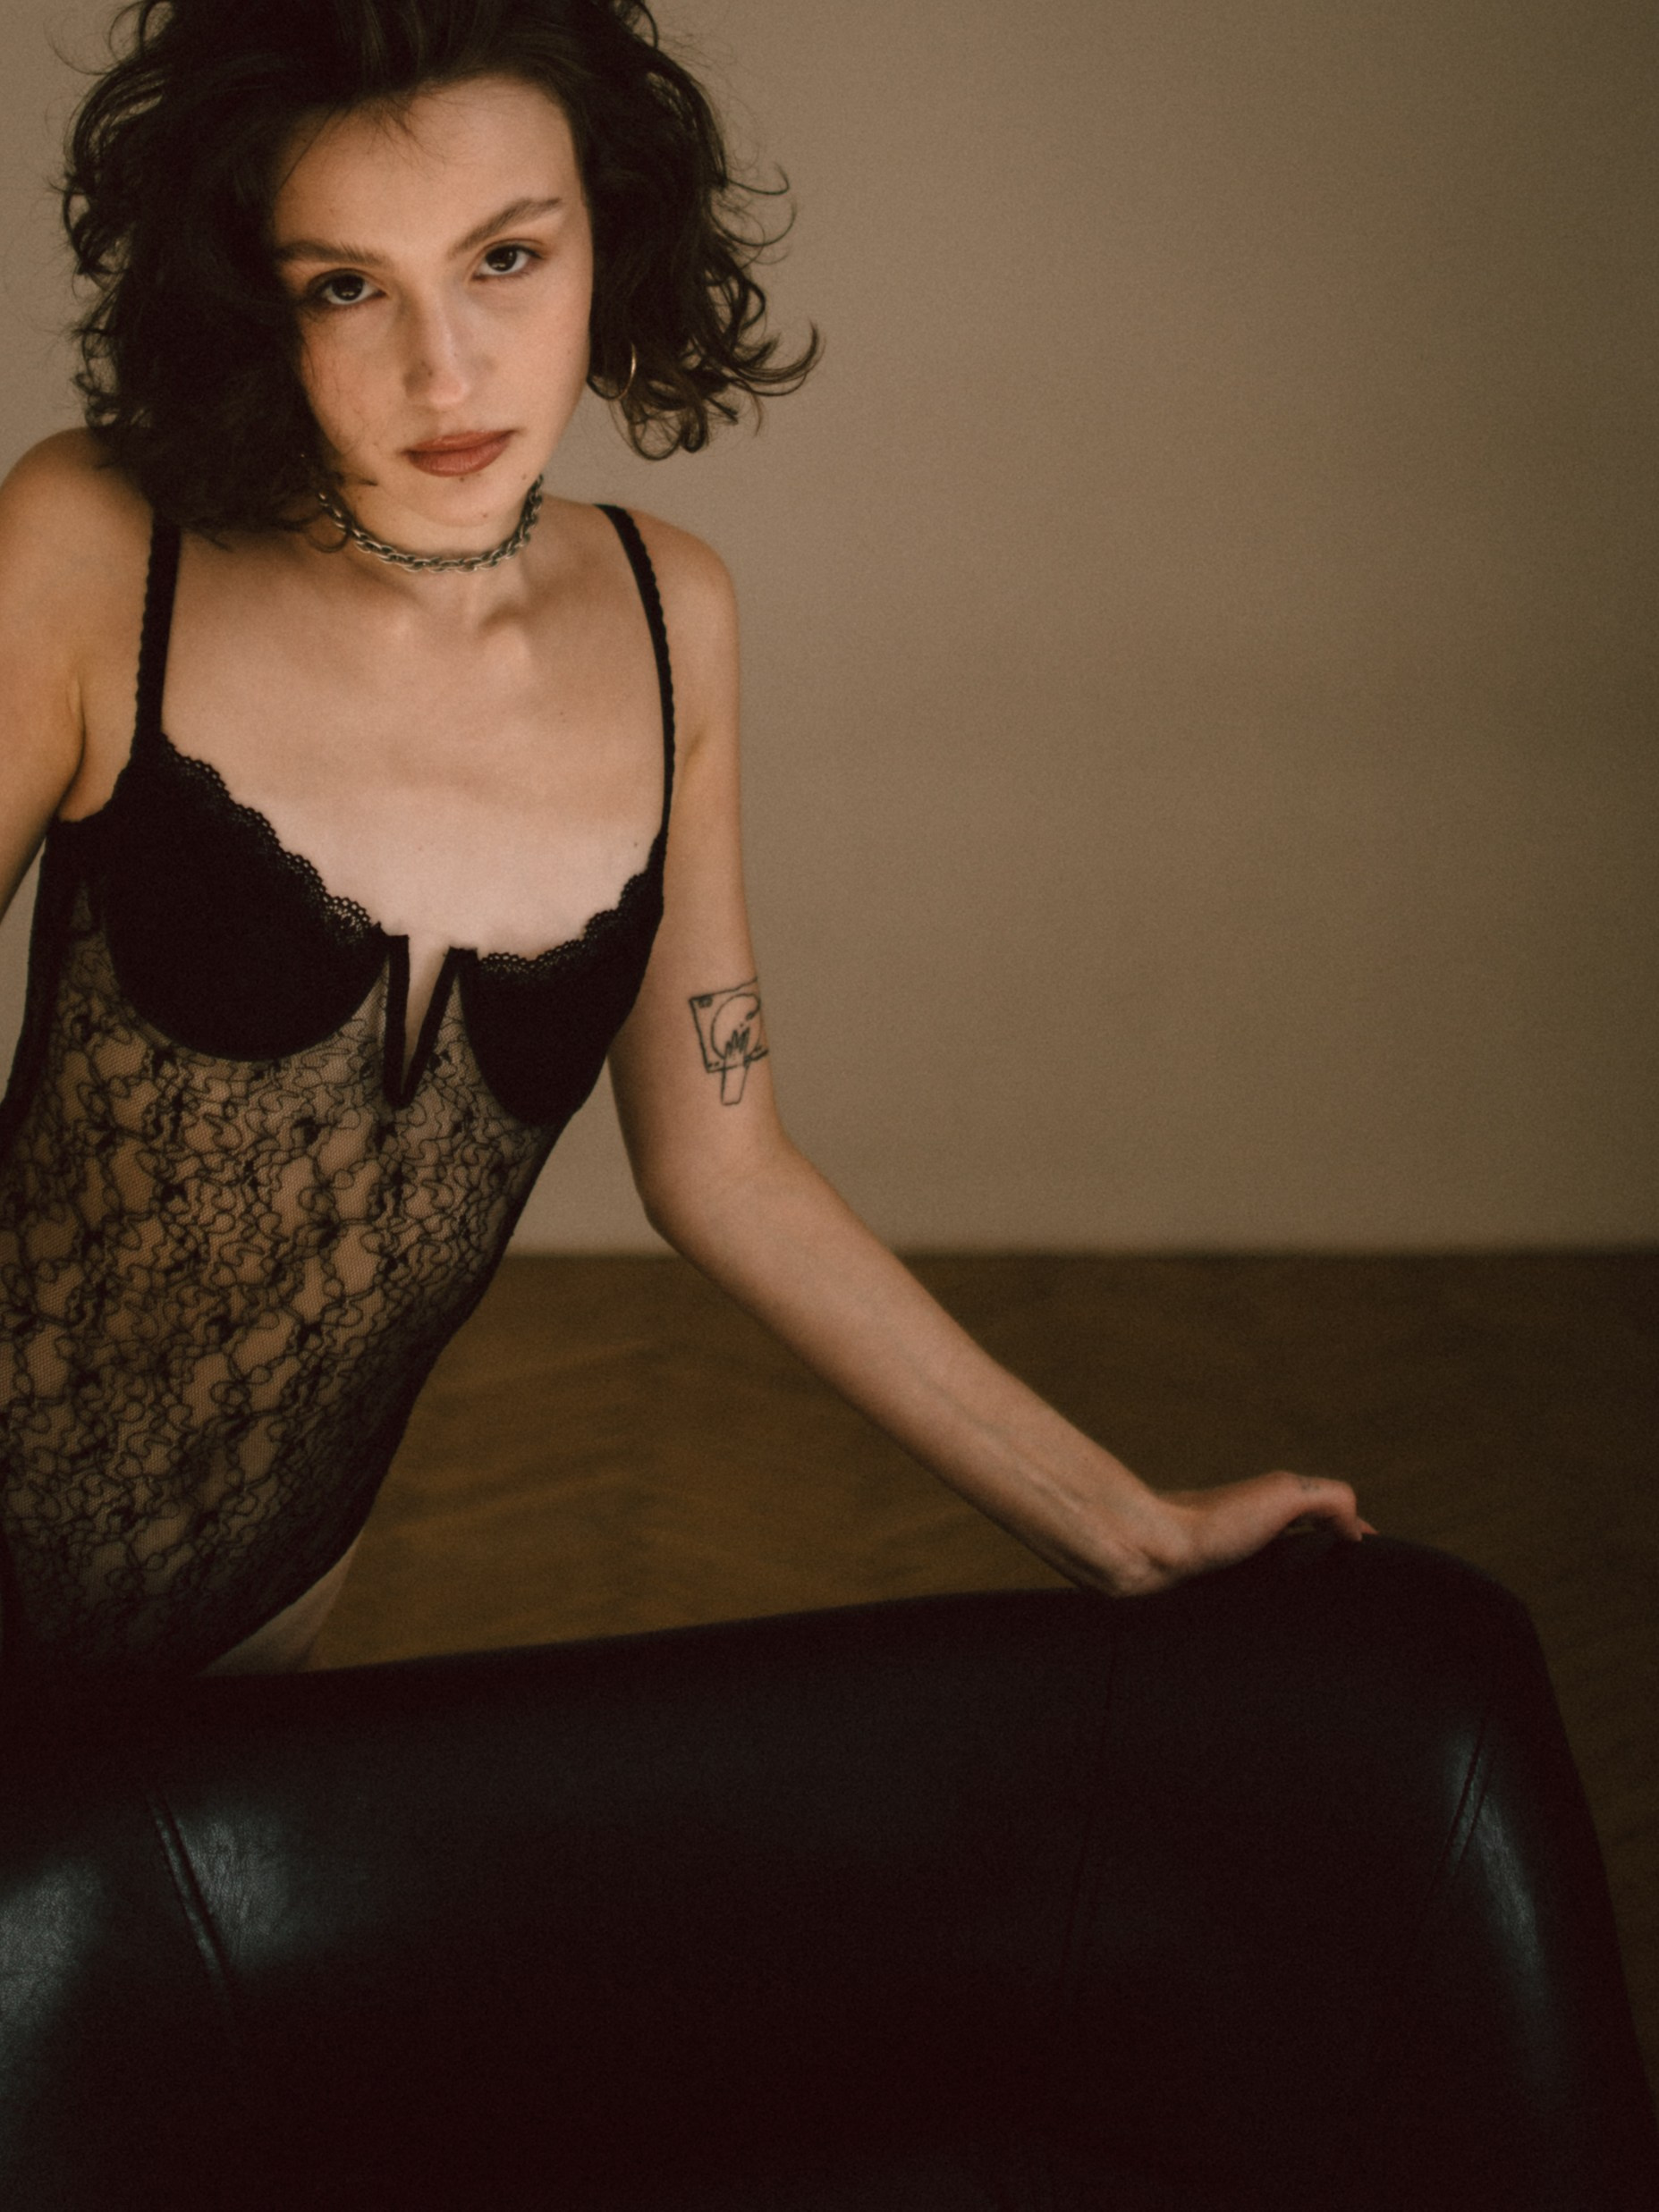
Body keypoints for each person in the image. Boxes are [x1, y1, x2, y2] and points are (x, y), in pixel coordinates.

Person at [0, 0, 1373, 1684]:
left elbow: (727, 1174)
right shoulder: (98, 550)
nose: (446, 371)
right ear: (247, 298)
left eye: (507, 258)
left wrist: (1126, 1529)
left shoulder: (670, 621)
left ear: (614, 232)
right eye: (348, 284)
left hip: (257, 1627)